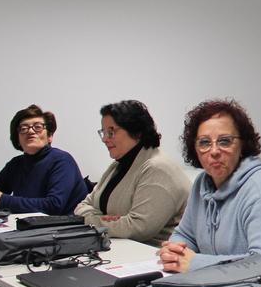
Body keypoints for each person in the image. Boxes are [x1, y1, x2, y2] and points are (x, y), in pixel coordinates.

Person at [158, 99, 261, 287]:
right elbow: (185, 235)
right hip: (228, 286)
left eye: (224, 141)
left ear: (242, 144)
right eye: (204, 143)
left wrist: (194, 263)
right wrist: (174, 253)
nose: (214, 151)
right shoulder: (203, 184)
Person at [74, 100, 189, 245]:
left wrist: (92, 220)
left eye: (111, 132)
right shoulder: (117, 166)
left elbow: (138, 228)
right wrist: (102, 219)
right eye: (103, 132)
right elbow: (82, 206)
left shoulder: (158, 168)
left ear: (136, 131)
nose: (104, 139)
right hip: (120, 249)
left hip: (155, 255)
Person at [0, 104, 87, 214]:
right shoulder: (16, 164)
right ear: (17, 139)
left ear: (50, 136)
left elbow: (54, 206)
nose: (31, 131)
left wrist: (3, 200)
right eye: (23, 128)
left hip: (64, 229)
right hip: (30, 226)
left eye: (38, 127)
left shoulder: (62, 160)